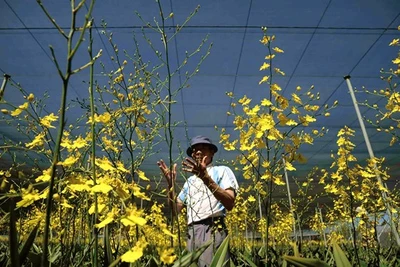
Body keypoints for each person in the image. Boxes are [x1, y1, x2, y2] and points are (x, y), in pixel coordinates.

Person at [157, 135, 239, 266]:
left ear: (212, 152)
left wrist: (205, 178)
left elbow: (230, 202)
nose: (198, 152)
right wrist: (171, 185)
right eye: (194, 150)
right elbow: (175, 210)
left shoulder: (222, 171)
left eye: (203, 148)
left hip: (213, 228)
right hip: (192, 233)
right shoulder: (189, 182)